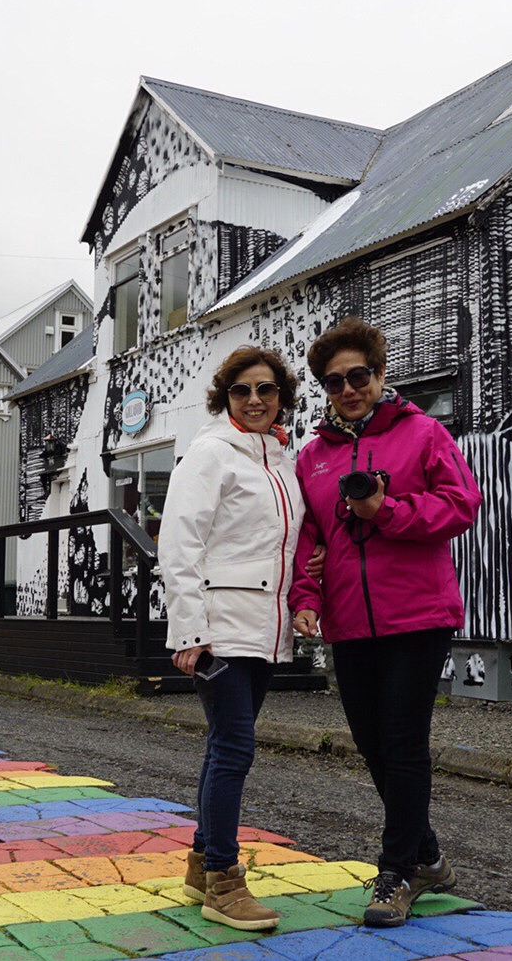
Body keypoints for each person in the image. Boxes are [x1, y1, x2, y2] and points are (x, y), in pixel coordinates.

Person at [289, 317, 482, 929]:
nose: (349, 388)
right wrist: (306, 598)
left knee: (401, 743)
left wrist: (384, 509)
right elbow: (310, 541)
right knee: (373, 746)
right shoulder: (312, 459)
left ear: (379, 373)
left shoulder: (424, 434)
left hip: (417, 616)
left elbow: (462, 505)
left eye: (359, 375)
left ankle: (395, 871)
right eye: (335, 380)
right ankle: (425, 855)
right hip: (349, 623)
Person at [161, 346, 312, 932]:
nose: (254, 400)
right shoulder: (209, 454)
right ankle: (223, 879)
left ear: (282, 397)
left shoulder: (280, 461)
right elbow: (179, 543)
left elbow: (289, 547)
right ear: (225, 397)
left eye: (266, 389)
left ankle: (202, 861)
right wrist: (190, 631)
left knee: (226, 745)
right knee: (234, 748)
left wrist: (300, 605)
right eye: (241, 390)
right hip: (220, 629)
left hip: (265, 629)